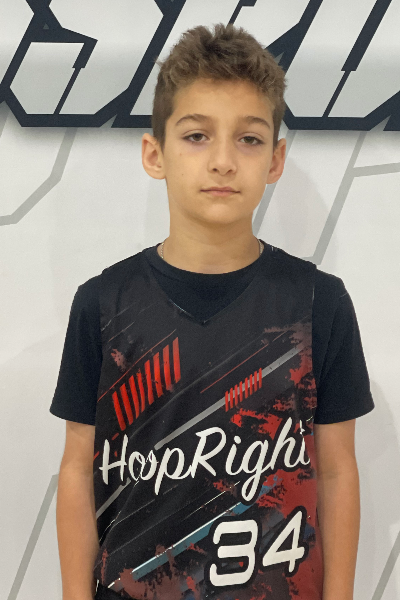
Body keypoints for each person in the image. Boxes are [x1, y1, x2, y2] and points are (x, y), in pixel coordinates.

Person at [50, 22, 375, 600]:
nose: (223, 160)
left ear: (275, 159)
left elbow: (335, 470)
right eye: (197, 135)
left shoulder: (318, 303)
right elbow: (78, 469)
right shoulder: (102, 303)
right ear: (155, 154)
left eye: (248, 139)